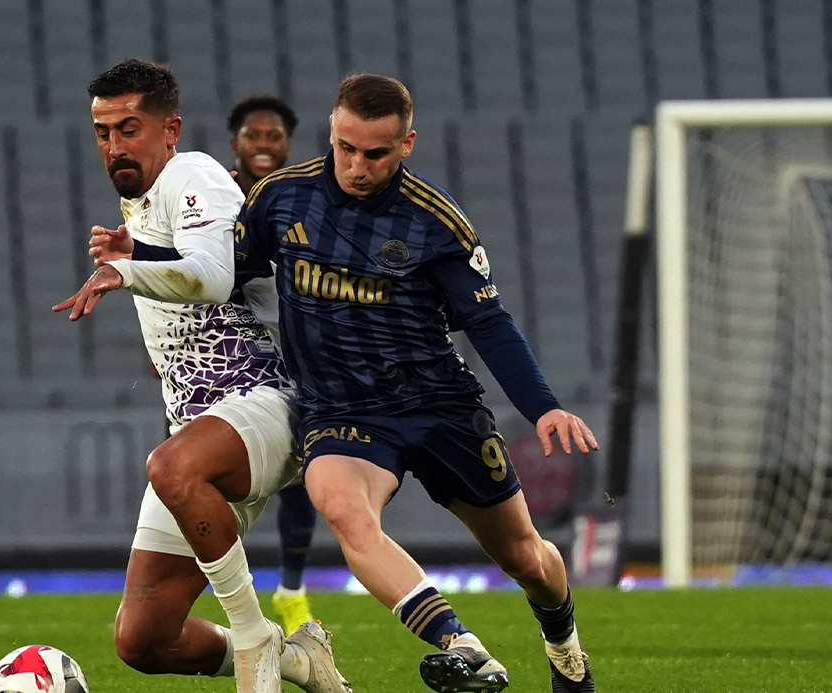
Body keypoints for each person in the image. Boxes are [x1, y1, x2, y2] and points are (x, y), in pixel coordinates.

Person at [90, 74, 599, 693]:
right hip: (340, 410)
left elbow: (488, 322)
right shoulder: (282, 198)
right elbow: (230, 273)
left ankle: (565, 649)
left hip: (437, 403)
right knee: (343, 508)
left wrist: (543, 407)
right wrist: (145, 254)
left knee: (524, 555)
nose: (357, 167)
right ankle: (462, 647)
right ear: (331, 131)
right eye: (345, 148)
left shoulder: (437, 222)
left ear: (406, 143)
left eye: (375, 154)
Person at [53, 59, 348, 693]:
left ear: (170, 129)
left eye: (129, 129)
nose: (114, 145)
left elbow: (212, 277)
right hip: (205, 420)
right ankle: (299, 660)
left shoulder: (193, 174)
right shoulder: (140, 200)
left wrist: (126, 271)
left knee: (169, 466)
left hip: (267, 394)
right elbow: (202, 272)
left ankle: (254, 635)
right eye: (103, 132)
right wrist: (138, 256)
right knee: (144, 639)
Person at [226, 94, 317, 634]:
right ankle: (226, 589)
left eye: (273, 136)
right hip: (225, 358)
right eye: (253, 135)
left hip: (294, 355)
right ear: (234, 143)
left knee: (305, 477)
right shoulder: (214, 198)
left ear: (287, 144)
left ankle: (291, 590)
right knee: (209, 479)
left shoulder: (305, 198)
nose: (263, 144)